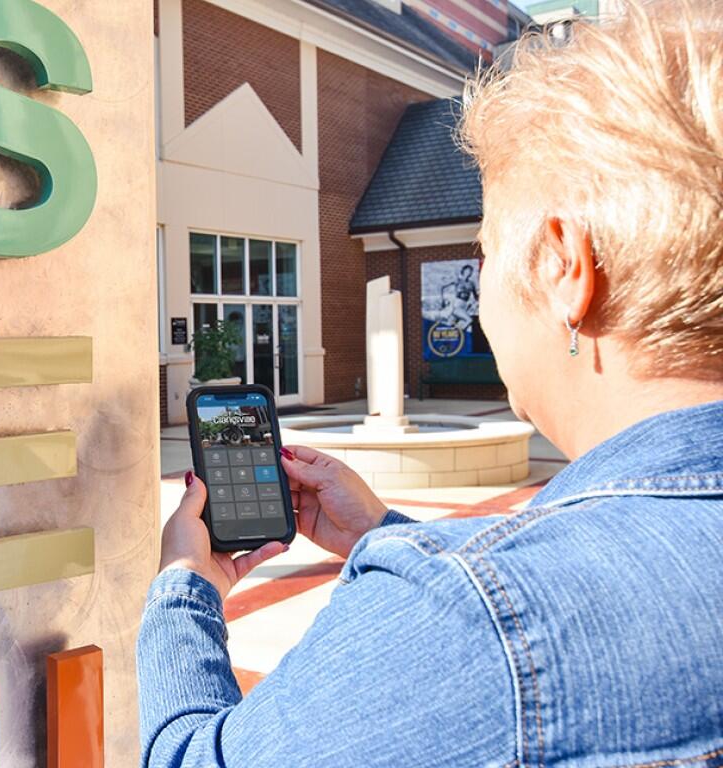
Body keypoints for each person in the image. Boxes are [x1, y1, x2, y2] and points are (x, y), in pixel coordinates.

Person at [136, 1, 723, 765]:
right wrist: (387, 539)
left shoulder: (470, 624)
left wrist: (185, 587)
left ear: (563, 267)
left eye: (485, 249)